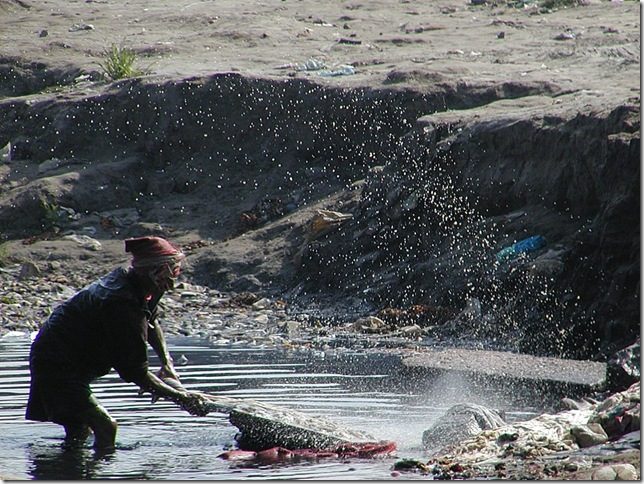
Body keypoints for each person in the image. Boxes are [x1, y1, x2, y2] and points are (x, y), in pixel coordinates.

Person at [25, 236, 209, 451]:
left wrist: (167, 364)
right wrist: (182, 398)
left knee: (79, 427)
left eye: (177, 272)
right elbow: (134, 372)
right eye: (171, 273)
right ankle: (95, 468)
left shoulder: (146, 286)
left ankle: (69, 468)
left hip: (76, 358)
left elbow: (151, 320)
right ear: (152, 272)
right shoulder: (121, 302)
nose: (173, 283)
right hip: (56, 361)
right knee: (106, 427)